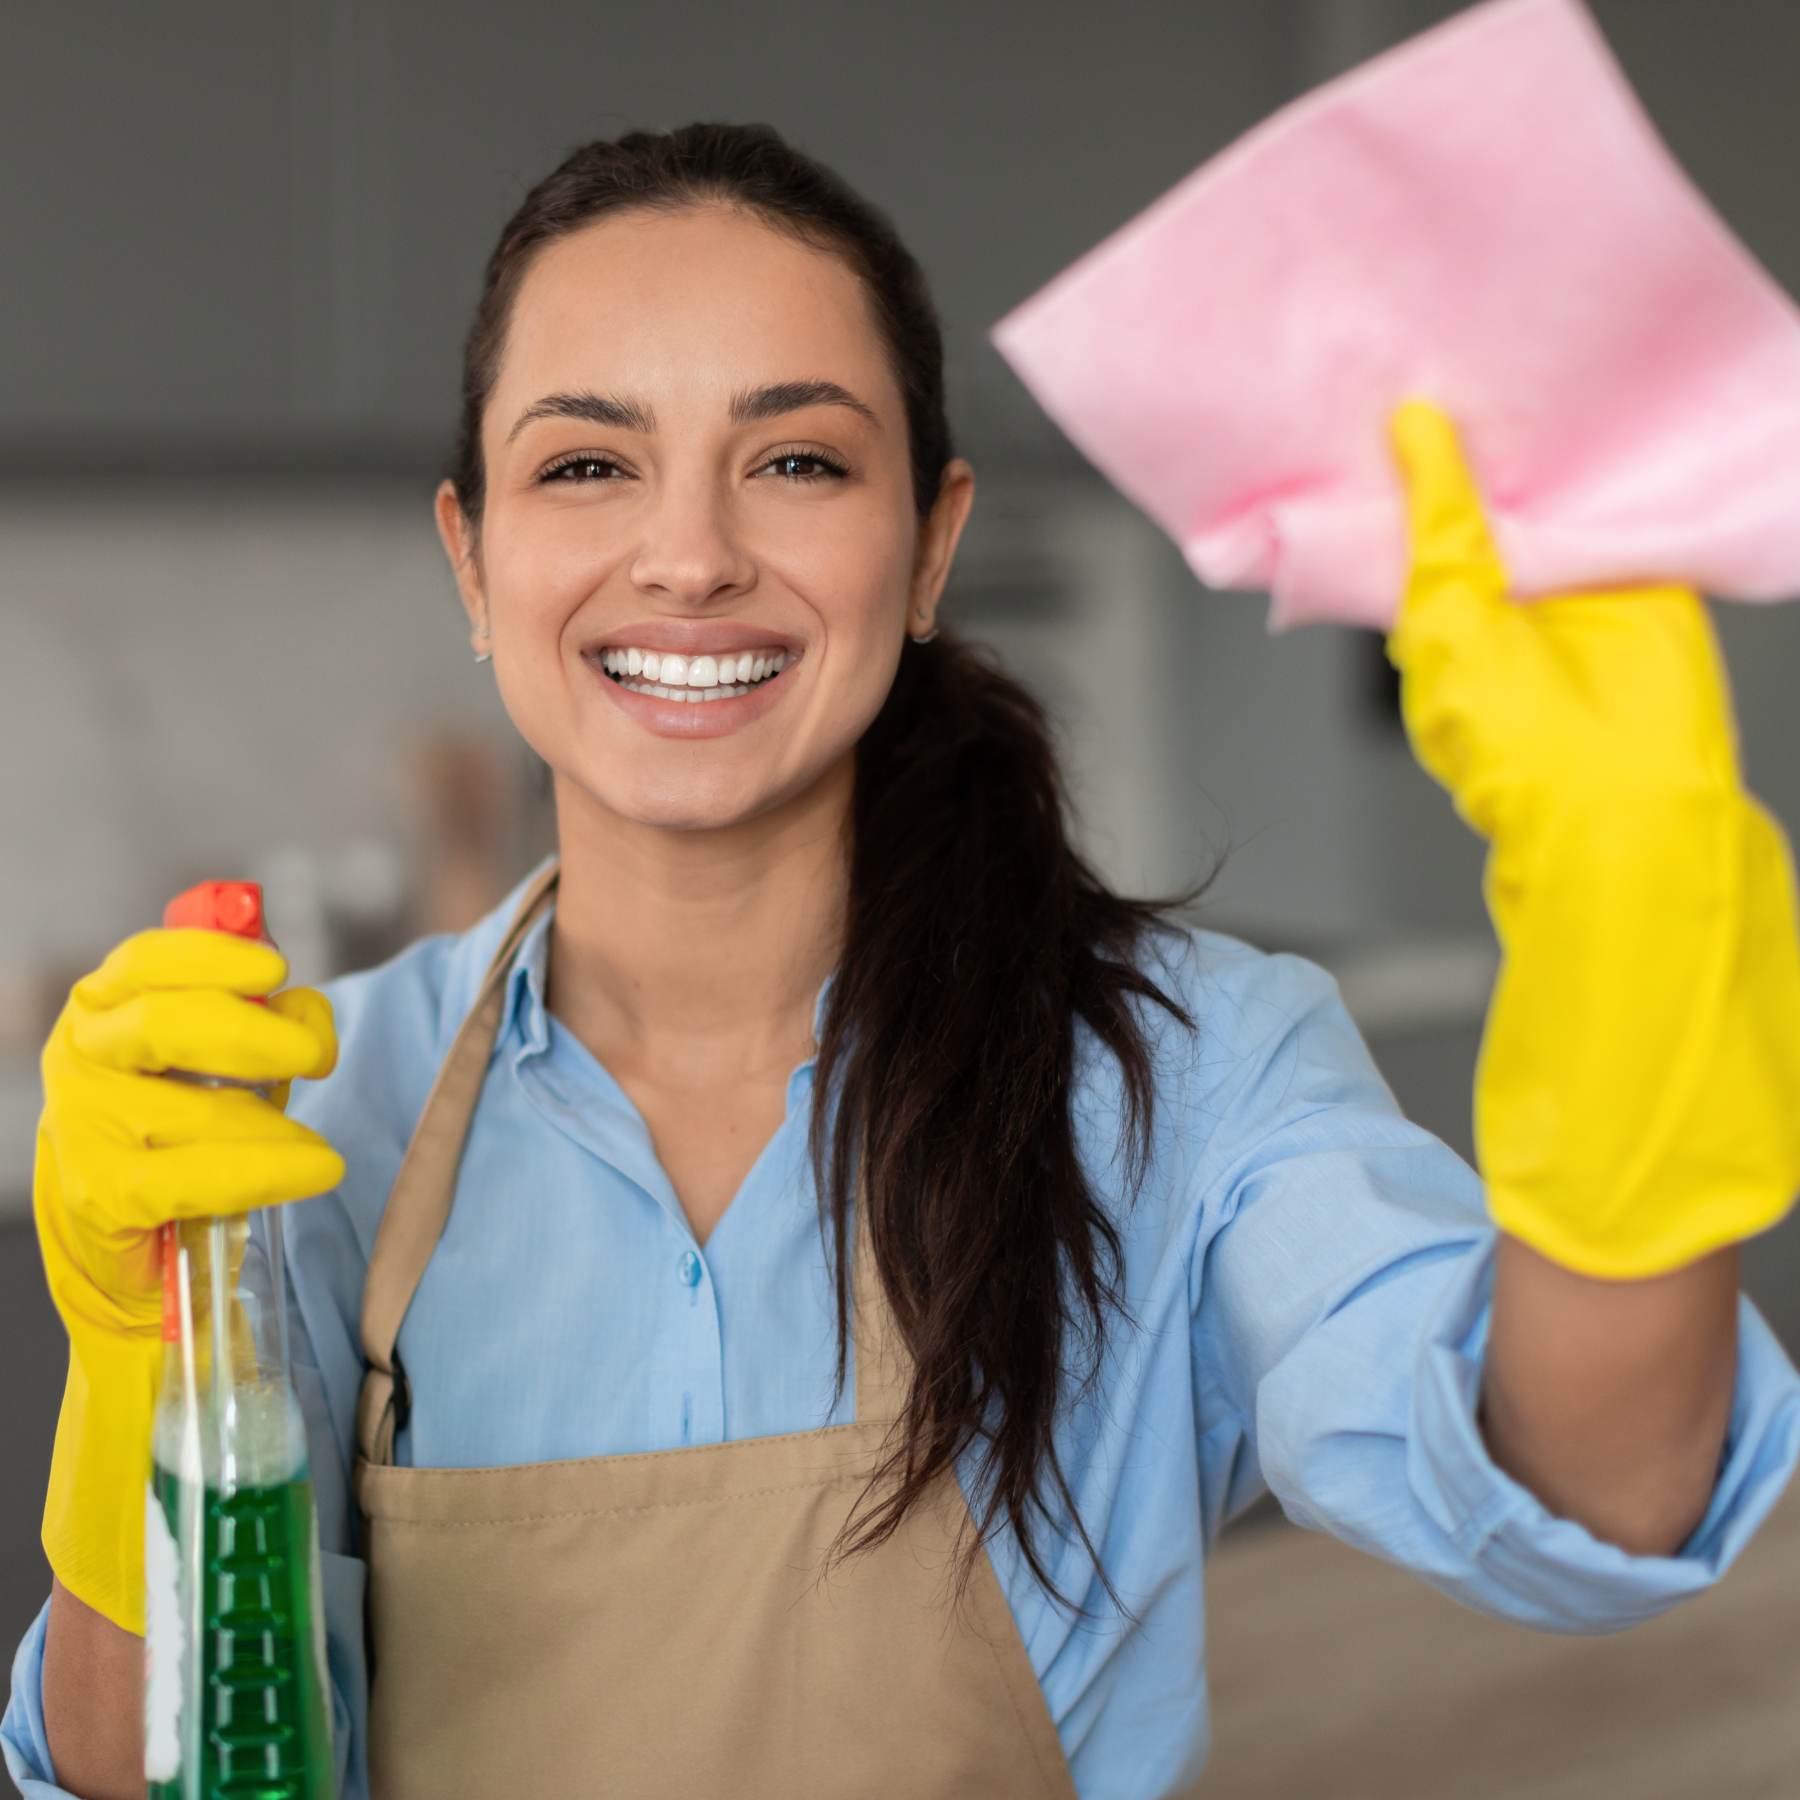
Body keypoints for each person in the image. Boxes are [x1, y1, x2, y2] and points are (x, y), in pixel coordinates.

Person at [9, 121, 1800, 1800]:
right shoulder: (303, 1110)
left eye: (795, 460)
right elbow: (132, 1773)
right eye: (585, 464)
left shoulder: (1186, 1080)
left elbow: (1606, 1494)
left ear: (928, 545)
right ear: (473, 559)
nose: (692, 554)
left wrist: (1633, 920)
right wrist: (131, 1373)